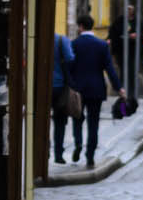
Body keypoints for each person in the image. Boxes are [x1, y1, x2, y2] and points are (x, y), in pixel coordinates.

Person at [65, 14, 116, 168]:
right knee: (94, 123)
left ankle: (79, 143)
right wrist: (119, 87)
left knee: (77, 119)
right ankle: (90, 156)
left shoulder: (74, 44)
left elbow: (69, 67)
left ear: (80, 26)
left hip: (78, 90)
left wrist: (70, 84)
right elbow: (109, 68)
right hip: (96, 89)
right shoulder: (102, 45)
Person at [49, 25, 77, 165]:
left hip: (41, 88)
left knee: (40, 120)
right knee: (60, 122)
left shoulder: (35, 39)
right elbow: (70, 58)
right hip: (60, 87)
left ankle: (44, 149)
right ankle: (58, 153)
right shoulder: (61, 40)